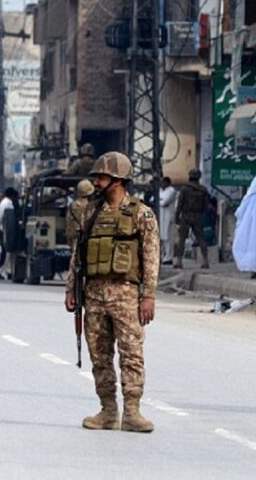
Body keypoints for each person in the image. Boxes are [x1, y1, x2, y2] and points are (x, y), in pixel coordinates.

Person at [65, 151, 159, 433]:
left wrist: (148, 296)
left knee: (131, 354)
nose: (96, 182)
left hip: (126, 295)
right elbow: (78, 254)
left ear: (118, 180)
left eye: (102, 177)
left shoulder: (141, 213)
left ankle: (132, 412)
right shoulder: (91, 212)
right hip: (93, 295)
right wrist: (71, 288)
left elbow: (151, 257)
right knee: (99, 356)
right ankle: (108, 411)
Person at [173, 169, 210, 269]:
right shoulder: (203, 190)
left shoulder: (185, 189)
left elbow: (180, 204)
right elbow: (206, 206)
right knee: (201, 238)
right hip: (197, 216)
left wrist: (177, 216)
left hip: (186, 216)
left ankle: (179, 261)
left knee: (182, 239)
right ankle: (205, 260)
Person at [0, 187, 18, 280]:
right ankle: (0, 271)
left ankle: (9, 271)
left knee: (9, 252)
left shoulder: (5, 202)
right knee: (8, 251)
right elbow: (0, 217)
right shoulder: (7, 203)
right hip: (5, 230)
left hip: (5, 229)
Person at [66, 179, 95, 251]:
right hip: (89, 238)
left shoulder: (72, 205)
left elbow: (68, 223)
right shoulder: (92, 206)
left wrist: (69, 239)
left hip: (75, 238)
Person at [158, 177, 176, 265]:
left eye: (163, 182)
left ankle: (169, 258)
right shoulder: (160, 191)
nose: (161, 184)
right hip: (161, 217)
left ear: (167, 182)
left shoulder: (172, 191)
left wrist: (159, 200)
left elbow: (164, 202)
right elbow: (153, 200)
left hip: (168, 217)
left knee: (169, 238)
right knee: (162, 238)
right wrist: (160, 201)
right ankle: (163, 256)